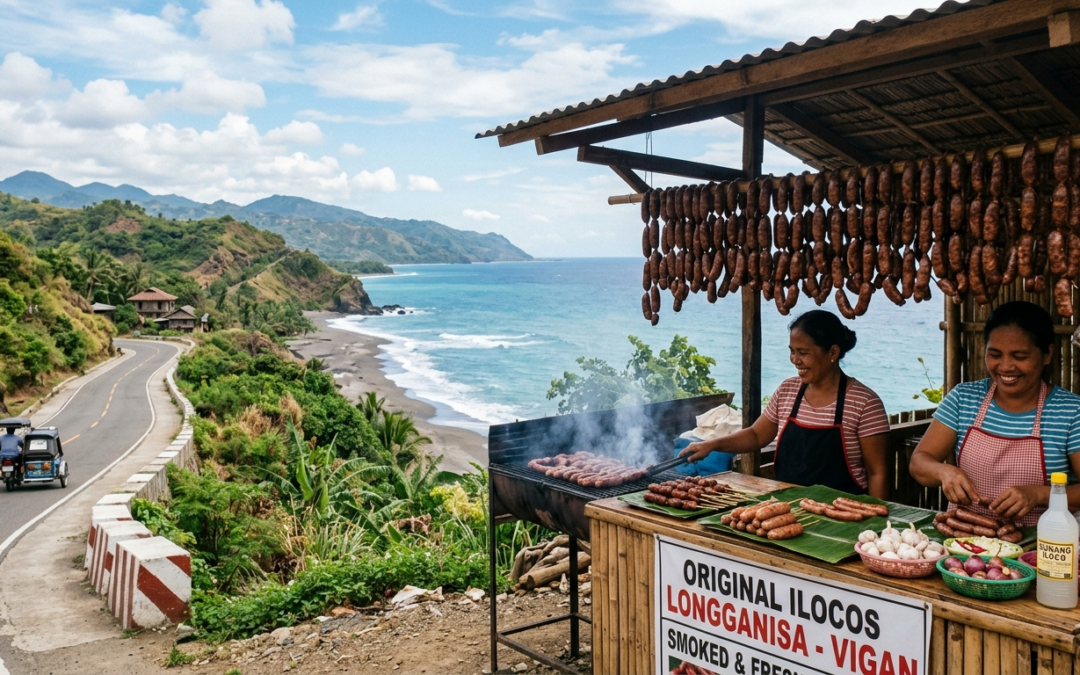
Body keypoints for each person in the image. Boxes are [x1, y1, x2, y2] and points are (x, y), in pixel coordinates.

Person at [679, 310, 891, 498]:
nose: (794, 360)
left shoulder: (864, 403)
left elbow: (877, 473)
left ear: (833, 353)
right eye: (792, 351)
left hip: (844, 513)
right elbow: (756, 435)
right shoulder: (788, 390)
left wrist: (876, 522)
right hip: (787, 508)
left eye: (803, 353)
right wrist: (712, 444)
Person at [909, 301, 1080, 526]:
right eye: (995, 354)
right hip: (964, 536)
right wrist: (944, 472)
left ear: (1047, 354)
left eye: (1020, 357)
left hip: (1040, 544)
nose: (1006, 366)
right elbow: (919, 463)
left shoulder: (1070, 411)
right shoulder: (964, 398)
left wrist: (1038, 495)